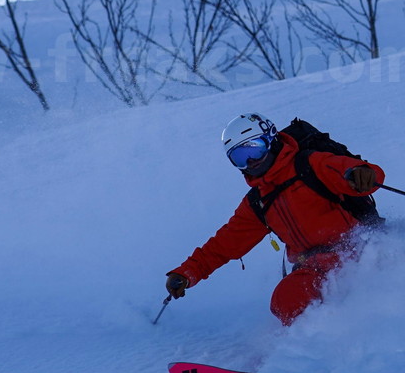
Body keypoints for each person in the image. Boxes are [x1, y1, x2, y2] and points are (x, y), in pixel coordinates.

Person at [165, 113, 385, 325]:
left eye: (255, 149)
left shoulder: (310, 165)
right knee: (285, 301)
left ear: (270, 139)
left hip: (358, 252)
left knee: (374, 282)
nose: (250, 162)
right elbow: (224, 245)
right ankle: (319, 344)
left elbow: (358, 171)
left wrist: (361, 175)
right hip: (313, 268)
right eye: (239, 158)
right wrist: (187, 273)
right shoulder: (258, 202)